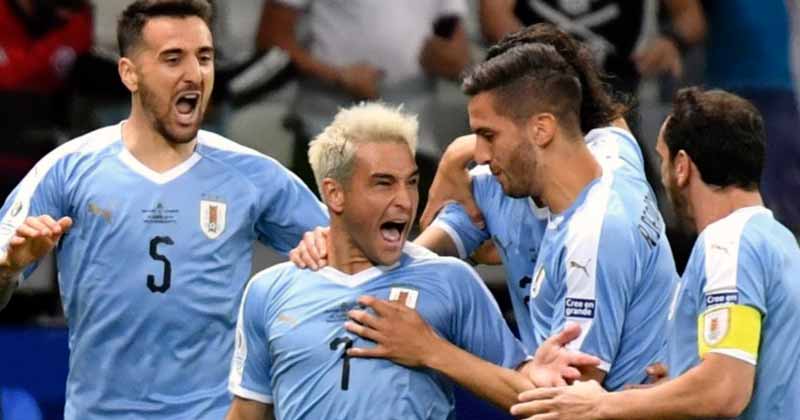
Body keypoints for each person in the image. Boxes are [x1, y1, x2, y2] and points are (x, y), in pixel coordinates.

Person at [0, 1, 328, 418]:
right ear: (128, 73)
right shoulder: (68, 168)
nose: (194, 73)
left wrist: (321, 259)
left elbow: (347, 262)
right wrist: (9, 269)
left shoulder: (254, 174)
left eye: (204, 57)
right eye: (173, 58)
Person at [226, 102, 601, 419]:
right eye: (383, 183)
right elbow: (247, 411)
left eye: (411, 182)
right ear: (334, 194)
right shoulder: (269, 291)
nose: (405, 200)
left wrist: (433, 351)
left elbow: (532, 399)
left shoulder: (451, 281)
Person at [511, 88, 800, 420]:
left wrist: (600, 405)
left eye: (662, 159)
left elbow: (725, 390)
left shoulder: (727, 242)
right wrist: (675, 384)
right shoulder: (783, 243)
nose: (662, 176)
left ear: (682, 166)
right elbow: (754, 370)